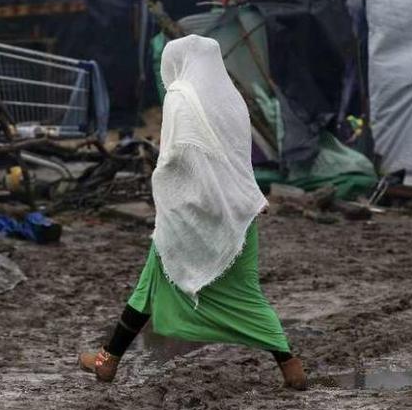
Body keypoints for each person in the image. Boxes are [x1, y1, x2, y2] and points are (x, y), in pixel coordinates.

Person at [79, 35, 307, 390]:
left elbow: (177, 157)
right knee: (245, 293)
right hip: (236, 213)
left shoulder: (181, 98)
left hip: (190, 214)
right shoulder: (232, 100)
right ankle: (290, 364)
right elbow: (234, 158)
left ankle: (108, 360)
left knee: (149, 284)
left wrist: (168, 191)